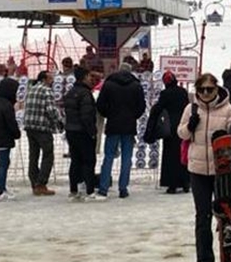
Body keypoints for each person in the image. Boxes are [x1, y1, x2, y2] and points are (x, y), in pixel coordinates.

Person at [176, 73, 231, 262]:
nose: (206, 93)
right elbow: (181, 133)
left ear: (217, 89)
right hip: (198, 170)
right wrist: (190, 126)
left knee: (224, 216)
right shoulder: (191, 109)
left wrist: (226, 138)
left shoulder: (228, 110)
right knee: (203, 216)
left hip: (221, 171)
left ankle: (227, 258)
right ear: (197, 90)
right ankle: (204, 261)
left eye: (210, 89)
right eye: (202, 89)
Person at [95, 63, 146, 198]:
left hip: (113, 125)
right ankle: (123, 188)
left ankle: (103, 187)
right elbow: (142, 106)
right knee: (126, 158)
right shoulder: (136, 86)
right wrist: (132, 116)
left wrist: (109, 114)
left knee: (109, 156)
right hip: (129, 126)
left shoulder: (109, 84)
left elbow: (100, 105)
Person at [23, 70, 63, 196]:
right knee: (48, 155)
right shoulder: (46, 91)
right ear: (45, 79)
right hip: (42, 127)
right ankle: (41, 183)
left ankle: (34, 182)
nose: (52, 81)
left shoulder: (31, 89)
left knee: (33, 155)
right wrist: (60, 122)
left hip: (30, 126)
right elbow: (51, 110)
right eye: (51, 78)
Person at [64, 67, 99, 201]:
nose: (91, 79)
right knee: (89, 161)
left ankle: (74, 190)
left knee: (75, 161)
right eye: (90, 76)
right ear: (84, 77)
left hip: (71, 131)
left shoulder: (70, 92)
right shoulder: (85, 94)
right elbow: (87, 116)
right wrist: (92, 132)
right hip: (83, 132)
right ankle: (89, 191)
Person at [152, 71, 190, 194]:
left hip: (169, 127)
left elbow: (159, 108)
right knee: (183, 153)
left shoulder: (165, 94)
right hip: (183, 125)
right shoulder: (183, 92)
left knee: (170, 156)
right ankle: (185, 182)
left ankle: (172, 184)